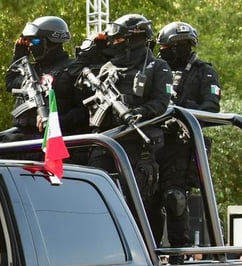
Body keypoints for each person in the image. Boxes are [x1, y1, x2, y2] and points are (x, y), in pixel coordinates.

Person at [85, 13, 172, 245]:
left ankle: (146, 251)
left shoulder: (157, 66)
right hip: (105, 142)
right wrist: (93, 49)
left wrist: (140, 112)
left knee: (138, 205)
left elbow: (162, 102)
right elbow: (79, 77)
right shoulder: (106, 67)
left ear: (135, 38)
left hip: (136, 144)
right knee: (96, 199)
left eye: (119, 39)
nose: (114, 43)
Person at [155, 21, 222, 248]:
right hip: (154, 143)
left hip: (182, 145)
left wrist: (182, 108)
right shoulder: (155, 69)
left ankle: (179, 253)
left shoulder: (204, 72)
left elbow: (211, 109)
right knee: (148, 200)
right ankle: (148, 252)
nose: (162, 52)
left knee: (175, 198)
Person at [4, 17, 86, 143]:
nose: (31, 45)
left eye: (35, 41)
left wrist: (56, 120)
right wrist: (20, 54)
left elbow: (83, 111)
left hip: (54, 141)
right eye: (29, 41)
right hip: (22, 140)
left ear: (50, 42)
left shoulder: (72, 69)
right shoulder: (31, 70)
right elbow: (10, 83)